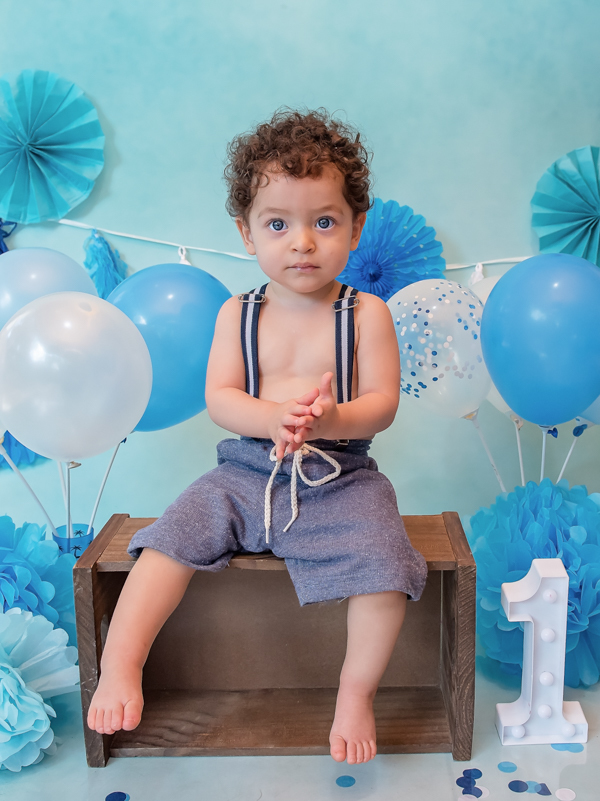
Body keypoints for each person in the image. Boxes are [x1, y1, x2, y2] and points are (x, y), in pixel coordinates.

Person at [86, 109, 427, 765]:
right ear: (246, 232)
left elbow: (382, 404)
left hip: (340, 478)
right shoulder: (237, 314)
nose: (302, 242)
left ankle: (355, 692)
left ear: (355, 228)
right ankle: (122, 663)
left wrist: (330, 421)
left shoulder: (367, 314)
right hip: (247, 471)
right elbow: (221, 398)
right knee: (168, 539)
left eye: (324, 222)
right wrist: (272, 418)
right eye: (278, 224)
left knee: (387, 564)